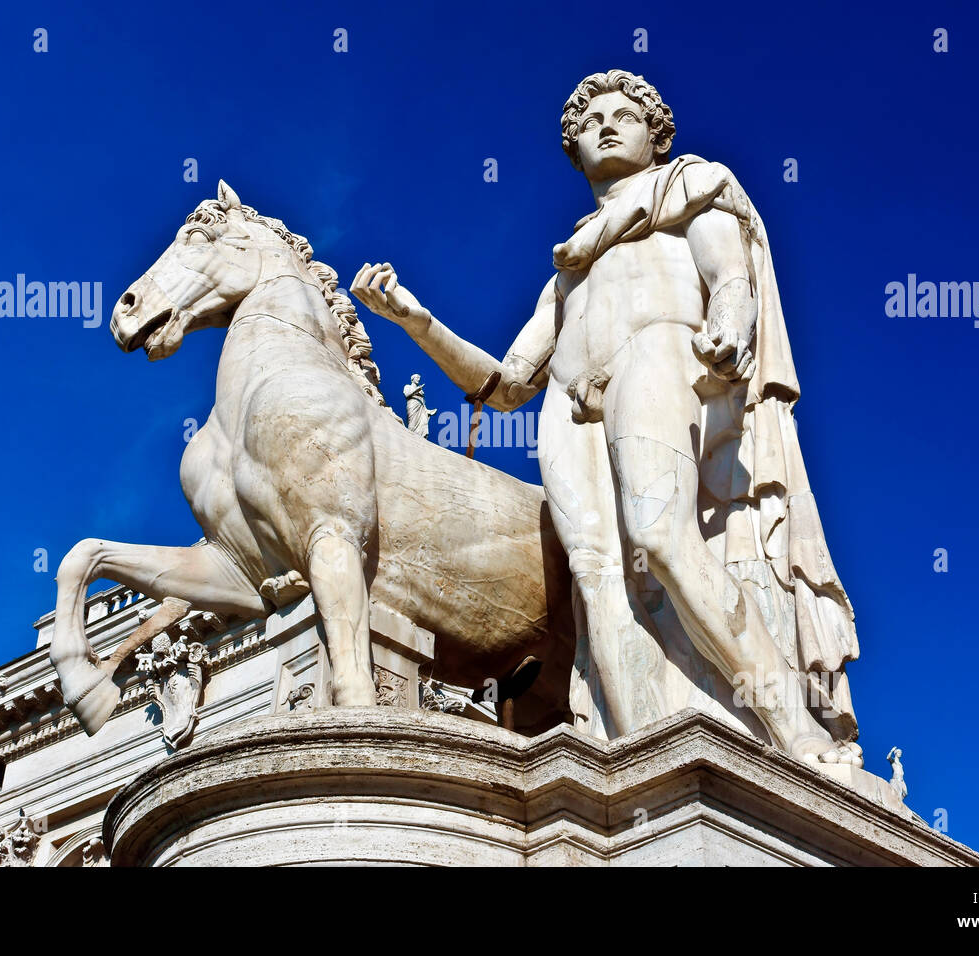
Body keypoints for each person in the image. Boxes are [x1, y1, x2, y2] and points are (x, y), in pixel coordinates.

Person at [352, 70, 859, 764]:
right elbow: (505, 385)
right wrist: (418, 321)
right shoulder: (567, 274)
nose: (607, 127)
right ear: (576, 150)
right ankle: (641, 754)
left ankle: (792, 731)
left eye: (625, 116)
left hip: (657, 349)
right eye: (591, 124)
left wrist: (730, 326)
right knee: (596, 581)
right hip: (568, 404)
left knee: (663, 537)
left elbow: (730, 275)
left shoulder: (690, 186)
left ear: (656, 135)